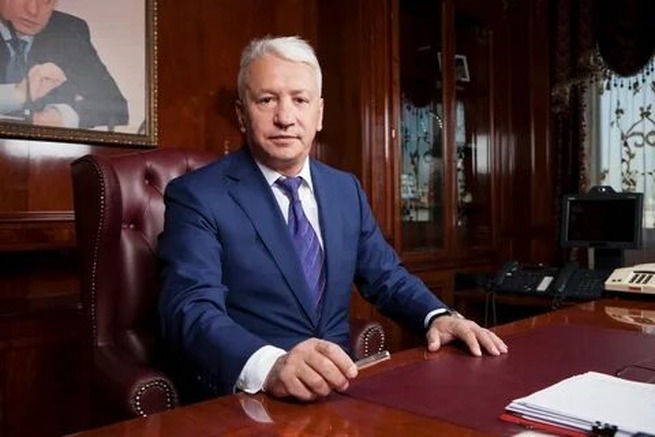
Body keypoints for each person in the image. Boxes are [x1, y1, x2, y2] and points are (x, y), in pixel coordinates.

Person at [158, 35, 508, 402]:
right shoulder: (198, 195)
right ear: (242, 115)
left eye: (300, 100)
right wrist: (271, 366)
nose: (285, 117)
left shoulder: (345, 189)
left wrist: (436, 316)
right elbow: (188, 308)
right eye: (267, 100)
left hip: (341, 394)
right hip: (251, 400)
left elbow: (386, 277)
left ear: (319, 114)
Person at [0, 0, 127, 128]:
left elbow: (115, 108)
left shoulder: (68, 29)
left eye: (46, 1)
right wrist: (16, 95)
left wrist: (63, 116)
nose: (33, 10)